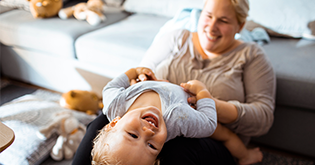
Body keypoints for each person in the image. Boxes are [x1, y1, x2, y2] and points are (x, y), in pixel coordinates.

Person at [72, 0, 275, 164]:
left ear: (240, 25)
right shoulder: (175, 38)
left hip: (210, 137)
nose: (212, 27)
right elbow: (140, 74)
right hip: (157, 119)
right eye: (208, 16)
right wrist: (146, 83)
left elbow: (263, 118)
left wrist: (206, 102)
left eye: (223, 20)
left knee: (176, 149)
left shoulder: (252, 56)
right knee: (102, 123)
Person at [91, 67, 262, 165]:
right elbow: (209, 122)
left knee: (94, 125)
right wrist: (202, 92)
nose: (148, 132)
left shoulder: (114, 103)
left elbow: (111, 86)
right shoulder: (179, 119)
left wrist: (134, 72)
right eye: (151, 146)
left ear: (114, 123)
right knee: (225, 135)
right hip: (188, 108)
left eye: (133, 135)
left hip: (157, 86)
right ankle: (245, 156)